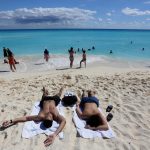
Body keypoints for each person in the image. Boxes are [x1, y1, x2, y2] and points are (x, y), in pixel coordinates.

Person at [2, 87, 66, 147]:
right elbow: (63, 121)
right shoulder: (56, 115)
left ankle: (45, 91)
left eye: (47, 116)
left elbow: (26, 118)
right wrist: (55, 134)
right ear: (52, 119)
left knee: (44, 95)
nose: (49, 114)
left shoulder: (41, 116)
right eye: (50, 116)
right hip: (54, 100)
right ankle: (60, 89)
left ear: (44, 119)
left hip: (45, 100)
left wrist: (11, 121)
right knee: (58, 95)